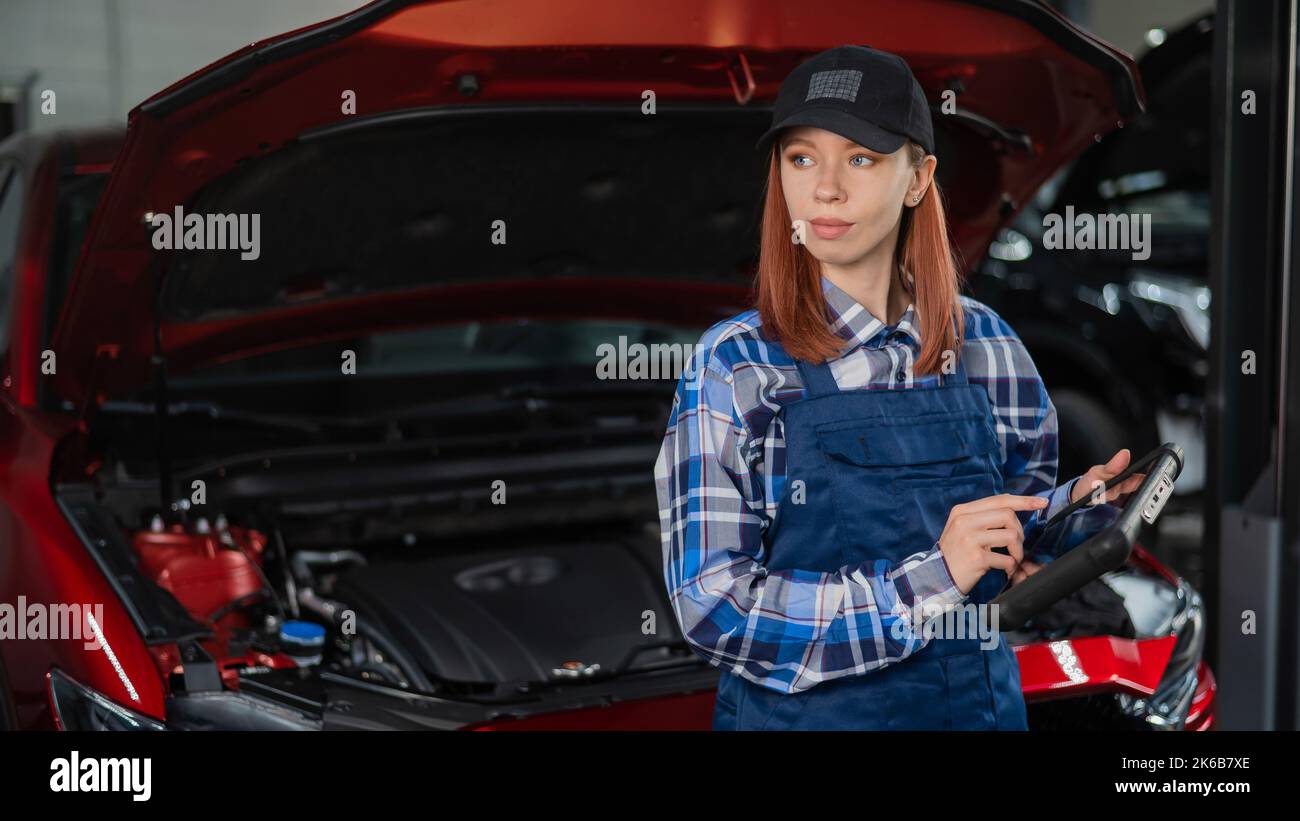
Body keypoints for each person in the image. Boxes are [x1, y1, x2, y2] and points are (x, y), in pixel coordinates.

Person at [652, 44, 1147, 731]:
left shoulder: (989, 347)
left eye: (860, 157)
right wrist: (932, 578)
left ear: (918, 179)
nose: (825, 187)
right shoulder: (736, 366)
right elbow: (716, 607)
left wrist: (1083, 507)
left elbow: (1013, 535)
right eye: (801, 157)